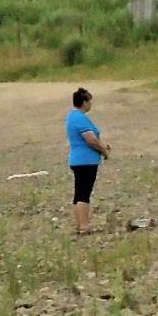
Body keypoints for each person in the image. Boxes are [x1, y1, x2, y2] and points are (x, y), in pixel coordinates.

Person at [66, 87, 110, 234]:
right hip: (86, 161)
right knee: (84, 193)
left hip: (77, 159)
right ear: (84, 102)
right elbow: (91, 140)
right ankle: (84, 226)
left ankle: (79, 225)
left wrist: (103, 144)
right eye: (89, 101)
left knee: (79, 193)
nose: (91, 104)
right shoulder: (80, 118)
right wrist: (103, 151)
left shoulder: (72, 117)